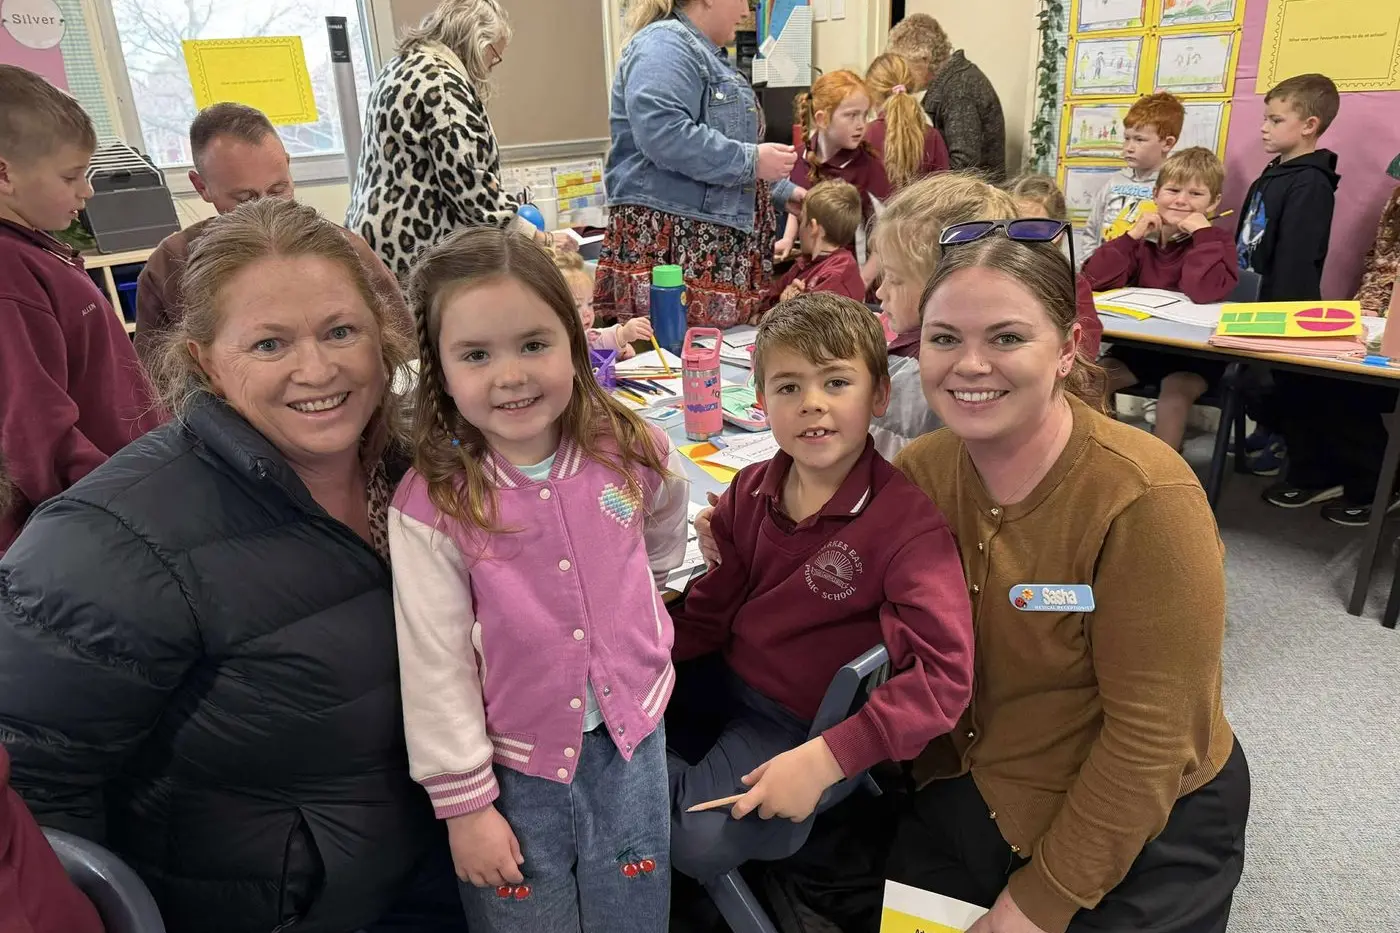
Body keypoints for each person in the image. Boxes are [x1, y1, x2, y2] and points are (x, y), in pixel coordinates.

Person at [700, 226, 1248, 932]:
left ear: (1070, 347)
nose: (971, 365)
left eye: (1008, 338)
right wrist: (742, 532)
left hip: (1146, 814)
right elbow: (826, 572)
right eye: (945, 338)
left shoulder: (1145, 499)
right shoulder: (923, 471)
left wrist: (1036, 905)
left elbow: (1149, 744)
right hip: (978, 779)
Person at [0, 198, 467, 933]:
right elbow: (31, 801)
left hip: (441, 861)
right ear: (204, 363)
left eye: (340, 331)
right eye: (270, 345)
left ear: (383, 338)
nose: (317, 368)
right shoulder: (114, 541)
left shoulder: (419, 475)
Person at [391, 228, 690, 932]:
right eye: (476, 354)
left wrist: (637, 598)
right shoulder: (434, 503)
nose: (511, 375)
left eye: (533, 344)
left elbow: (660, 530)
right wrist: (465, 808)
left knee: (636, 904)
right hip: (514, 767)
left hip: (632, 742)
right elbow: (436, 667)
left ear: (575, 339)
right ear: (439, 367)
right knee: (527, 914)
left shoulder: (630, 448)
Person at [666, 293, 972, 883]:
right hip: (727, 677)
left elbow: (944, 678)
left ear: (878, 395)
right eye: (788, 388)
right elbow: (713, 612)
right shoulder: (750, 487)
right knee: (595, 709)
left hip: (799, 724)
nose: (812, 404)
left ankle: (624, 780)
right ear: (760, 403)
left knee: (695, 842)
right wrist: (647, 658)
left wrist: (830, 757)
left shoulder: (907, 527)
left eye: (836, 383)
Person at [0, 64, 163, 555]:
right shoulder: (8, 271)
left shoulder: (34, 252)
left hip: (122, 493)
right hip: (95, 523)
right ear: (4, 173)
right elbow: (33, 426)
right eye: (71, 175)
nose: (87, 190)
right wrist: (114, 512)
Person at [136, 102, 409, 371]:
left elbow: (407, 355)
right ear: (201, 186)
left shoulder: (346, 252)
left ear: (288, 166)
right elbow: (151, 385)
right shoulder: (170, 265)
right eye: (246, 199)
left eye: (278, 190)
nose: (268, 209)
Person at [595, 0, 799, 329]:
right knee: (674, 363)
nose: (747, 12)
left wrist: (781, 192)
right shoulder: (663, 45)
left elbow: (722, 151)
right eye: (743, 1)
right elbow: (664, 135)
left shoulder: (706, 56)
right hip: (676, 250)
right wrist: (752, 160)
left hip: (706, 249)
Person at [347, 0, 553, 280]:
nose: (492, 66)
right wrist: (536, 238)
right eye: (494, 55)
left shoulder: (401, 66)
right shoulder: (443, 84)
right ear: (478, 42)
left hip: (376, 241)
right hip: (412, 249)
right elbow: (472, 191)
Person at [1259, 166, 1399, 524]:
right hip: (1373, 317)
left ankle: (1376, 486)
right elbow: (1378, 264)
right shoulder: (1396, 202)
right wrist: (1366, 311)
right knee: (1296, 374)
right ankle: (1318, 472)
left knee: (1349, 390)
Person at [1086, 147, 1239, 452]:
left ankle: (1165, 478)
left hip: (1194, 358)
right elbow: (1094, 279)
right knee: (1091, 382)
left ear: (1214, 202)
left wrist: (1203, 236)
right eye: (1172, 190)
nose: (1181, 200)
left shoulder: (1218, 242)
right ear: (1155, 194)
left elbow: (1202, 290)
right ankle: (1098, 460)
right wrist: (1132, 236)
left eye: (1196, 194)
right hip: (1141, 351)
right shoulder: (1143, 242)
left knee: (1173, 397)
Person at [867, 173, 1019, 457]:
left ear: (943, 286)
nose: (880, 292)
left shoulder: (909, 376)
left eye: (895, 279)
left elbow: (882, 467)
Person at [1235, 73, 1341, 302]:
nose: (1264, 128)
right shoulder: (1269, 177)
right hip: (1246, 302)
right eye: (1265, 119)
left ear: (1309, 125)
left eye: (1276, 120)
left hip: (1277, 312)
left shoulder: (1310, 183)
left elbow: (1296, 261)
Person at [777, 70, 892, 262]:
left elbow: (886, 235)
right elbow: (799, 205)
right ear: (822, 119)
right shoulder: (798, 157)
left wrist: (862, 282)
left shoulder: (869, 168)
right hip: (813, 273)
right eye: (851, 115)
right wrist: (788, 238)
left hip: (853, 275)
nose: (861, 124)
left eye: (864, 115)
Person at [886, 14, 1006, 182]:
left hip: (974, 201)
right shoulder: (955, 82)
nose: (901, 74)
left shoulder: (960, 90)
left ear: (924, 59)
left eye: (904, 66)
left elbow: (964, 166)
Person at [1074, 91, 1183, 265]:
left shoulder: (1174, 189)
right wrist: (1090, 266)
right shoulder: (1115, 182)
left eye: (1139, 140)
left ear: (1167, 143)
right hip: (1104, 274)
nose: (1129, 148)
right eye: (1127, 138)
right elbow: (1092, 231)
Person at [1006, 173, 1103, 358]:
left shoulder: (1072, 285)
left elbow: (1085, 349)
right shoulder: (991, 278)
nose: (1017, 237)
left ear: (1057, 232)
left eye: (1032, 228)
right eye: (1010, 224)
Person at [769, 180, 866, 305]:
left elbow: (812, 322)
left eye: (801, 220)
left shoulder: (836, 276)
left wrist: (786, 305)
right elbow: (769, 297)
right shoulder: (804, 264)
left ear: (813, 227)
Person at [864, 52, 949, 190]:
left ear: (871, 95)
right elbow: (942, 194)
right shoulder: (932, 137)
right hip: (922, 211)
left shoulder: (863, 136)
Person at [552, 248, 654, 358]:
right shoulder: (555, 342)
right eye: (577, 306)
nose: (587, 313)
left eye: (590, 303)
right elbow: (593, 342)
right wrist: (623, 334)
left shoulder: (582, 333)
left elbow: (595, 341)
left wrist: (620, 350)